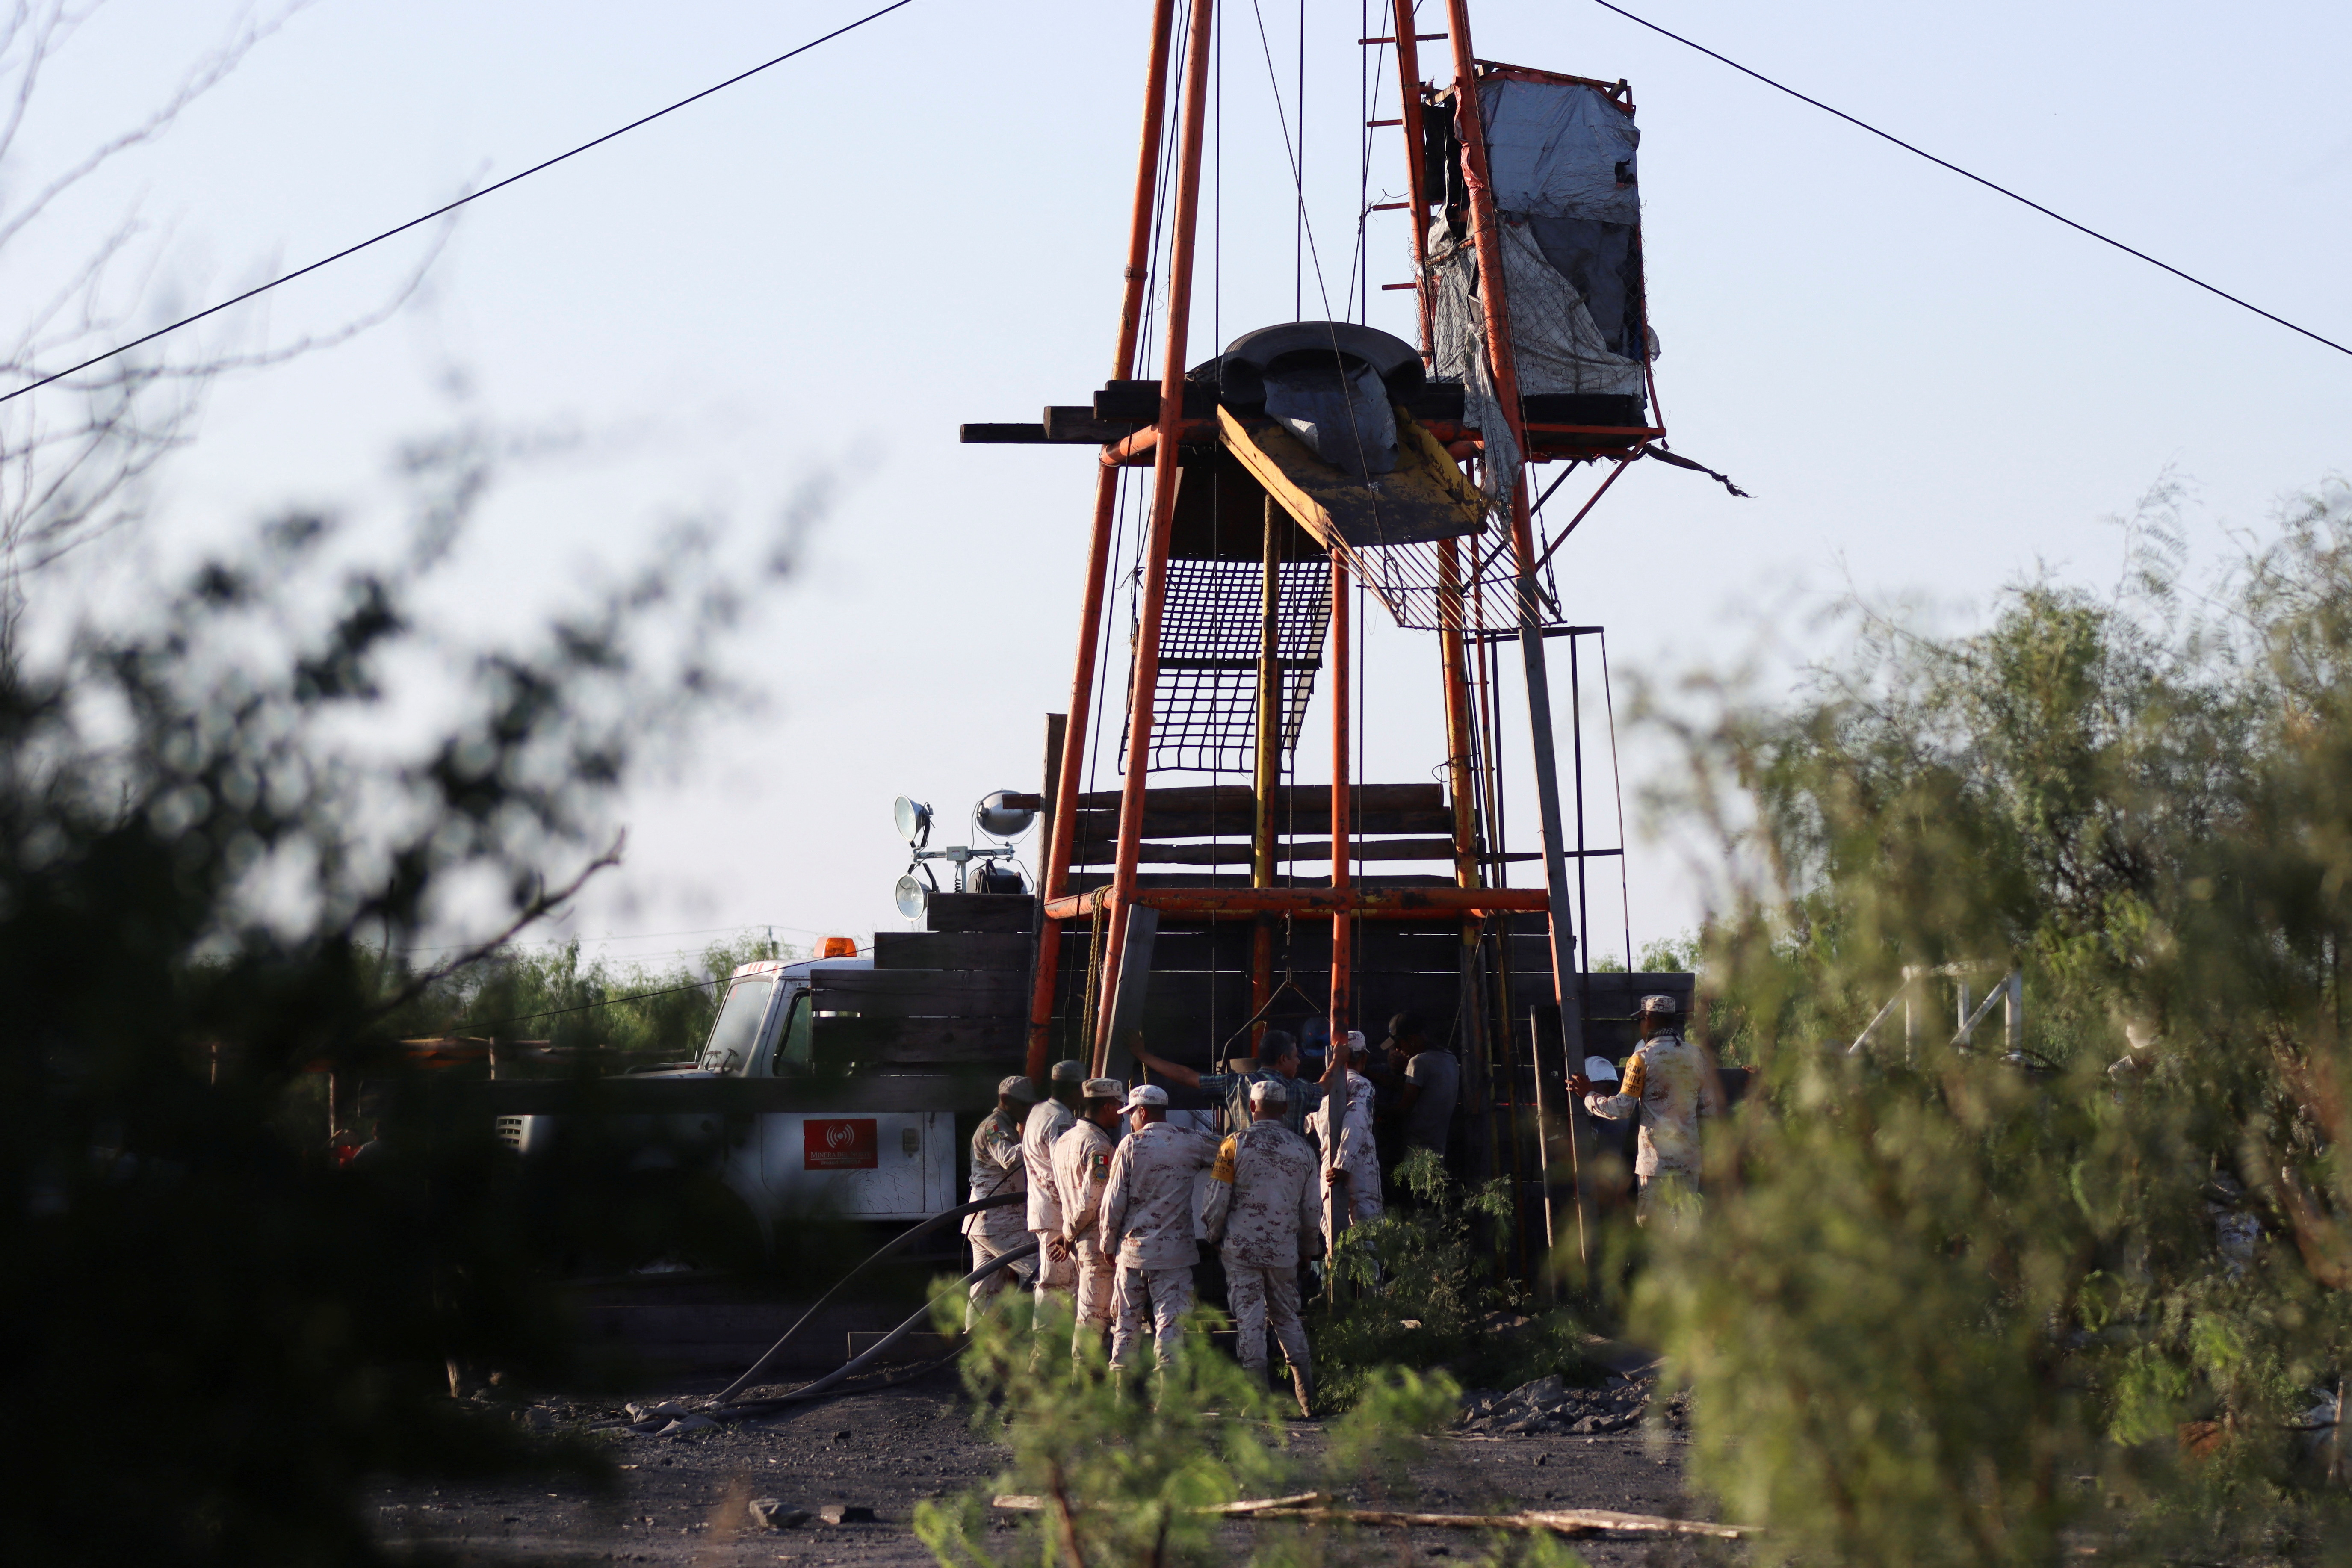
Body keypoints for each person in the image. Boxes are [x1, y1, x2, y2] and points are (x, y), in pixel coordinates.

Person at [1201, 1078, 1322, 1417]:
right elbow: (1312, 1209)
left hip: (1242, 1251)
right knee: (1288, 1318)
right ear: (1285, 1109)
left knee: (1250, 1320)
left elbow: (1216, 1201)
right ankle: (1307, 1399)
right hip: (1285, 1251)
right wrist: (1308, 1248)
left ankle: (1256, 1404)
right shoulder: (1303, 1150)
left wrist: (1214, 1236)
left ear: (1252, 1108)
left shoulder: (1232, 1145)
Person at [1096, 1083, 1218, 1373]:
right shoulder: (1191, 1141)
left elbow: (1112, 1204)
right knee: (1170, 1326)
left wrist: (1108, 1245)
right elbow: (1230, 1151)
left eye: (1132, 1116)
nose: (1130, 1122)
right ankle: (1168, 1403)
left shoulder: (1131, 1145)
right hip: (1175, 1256)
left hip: (1133, 1253)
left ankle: (1121, 1395)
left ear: (1141, 1111)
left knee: (1126, 1325)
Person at [1569, 994, 1720, 1224]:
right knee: (1687, 1226)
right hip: (1689, 1163)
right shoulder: (1697, 1056)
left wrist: (1588, 1095)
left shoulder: (1641, 1059)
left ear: (1647, 1020)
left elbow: (1622, 1108)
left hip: (1655, 1165)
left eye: (1641, 1020)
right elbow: (1710, 1110)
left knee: (1652, 1226)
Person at [1132, 1027, 1324, 1137]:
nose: (1299, 1061)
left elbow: (1186, 1076)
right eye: (1296, 1057)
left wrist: (1143, 1055)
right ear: (1283, 1059)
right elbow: (1327, 1085)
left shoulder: (1236, 1084)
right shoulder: (1299, 1090)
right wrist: (1338, 1061)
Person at [1053, 1077, 1126, 1364]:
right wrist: (1068, 1234)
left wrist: (1067, 1234)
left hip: (1079, 1242)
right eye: (1119, 1107)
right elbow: (1091, 1200)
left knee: (1088, 1313)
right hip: (1095, 1243)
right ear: (1107, 1107)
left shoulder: (1065, 1140)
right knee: (1093, 1319)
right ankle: (1084, 1384)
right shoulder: (1098, 1146)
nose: (1121, 1113)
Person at [963, 1075, 1037, 1324]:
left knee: (985, 1289)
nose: (1028, 1110)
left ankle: (971, 1347)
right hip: (997, 1220)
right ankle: (1038, 1336)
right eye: (1024, 1104)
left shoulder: (1007, 1125)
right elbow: (1009, 1157)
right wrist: (1042, 1141)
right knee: (1041, 1270)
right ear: (1006, 1100)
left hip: (985, 1220)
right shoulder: (995, 1127)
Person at [1023, 1060, 1087, 1335]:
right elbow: (1065, 1167)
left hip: (1044, 1210)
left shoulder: (1038, 1111)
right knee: (1057, 1285)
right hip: (1057, 1215)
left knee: (1059, 1284)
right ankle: (1047, 1353)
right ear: (1076, 1090)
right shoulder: (1060, 1118)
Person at [1307, 1028, 1382, 1246]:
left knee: (1336, 1248)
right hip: (1359, 1176)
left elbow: (1302, 1125)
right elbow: (1356, 1120)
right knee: (1368, 1250)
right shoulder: (1362, 1085)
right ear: (1364, 1058)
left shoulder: (1321, 1092)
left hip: (1328, 1179)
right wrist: (1343, 1164)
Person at [1384, 1010, 1459, 1160]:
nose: (1398, 1050)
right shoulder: (1449, 1057)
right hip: (1437, 1147)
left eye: (1398, 1044)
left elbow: (1403, 1109)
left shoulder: (1418, 1063)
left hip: (1417, 1149)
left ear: (1412, 1040)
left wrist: (1374, 1110)